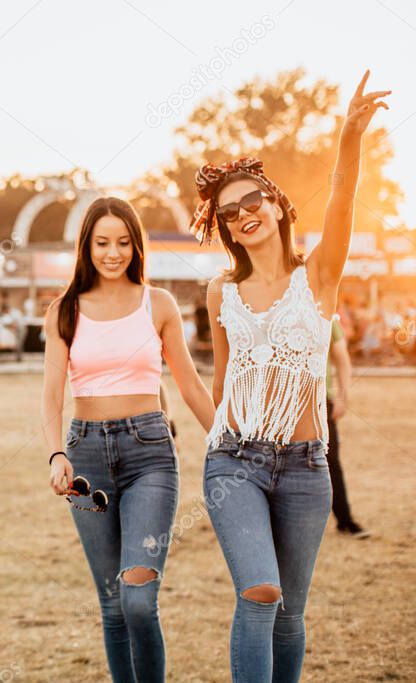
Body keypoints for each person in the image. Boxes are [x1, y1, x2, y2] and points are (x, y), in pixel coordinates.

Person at [194, 71, 388, 682]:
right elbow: (222, 385)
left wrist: (348, 138)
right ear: (224, 228)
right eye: (230, 212)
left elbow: (344, 199)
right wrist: (215, 449)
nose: (244, 213)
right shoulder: (219, 292)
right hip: (235, 463)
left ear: (278, 204)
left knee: (292, 612)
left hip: (307, 467)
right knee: (260, 593)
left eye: (254, 200)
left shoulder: (319, 278)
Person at [41, 197, 214, 682]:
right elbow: (51, 396)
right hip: (86, 458)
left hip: (150, 455)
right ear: (86, 246)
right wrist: (57, 454)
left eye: (123, 242)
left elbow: (190, 384)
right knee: (113, 604)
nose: (113, 253)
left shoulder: (157, 304)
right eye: (102, 243)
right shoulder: (65, 311)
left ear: (136, 246)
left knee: (138, 599)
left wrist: (227, 444)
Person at [326, 318, 368, 538]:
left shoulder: (326, 314)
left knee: (330, 460)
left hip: (320, 400)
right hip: (282, 403)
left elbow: (342, 358)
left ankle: (344, 520)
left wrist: (343, 396)